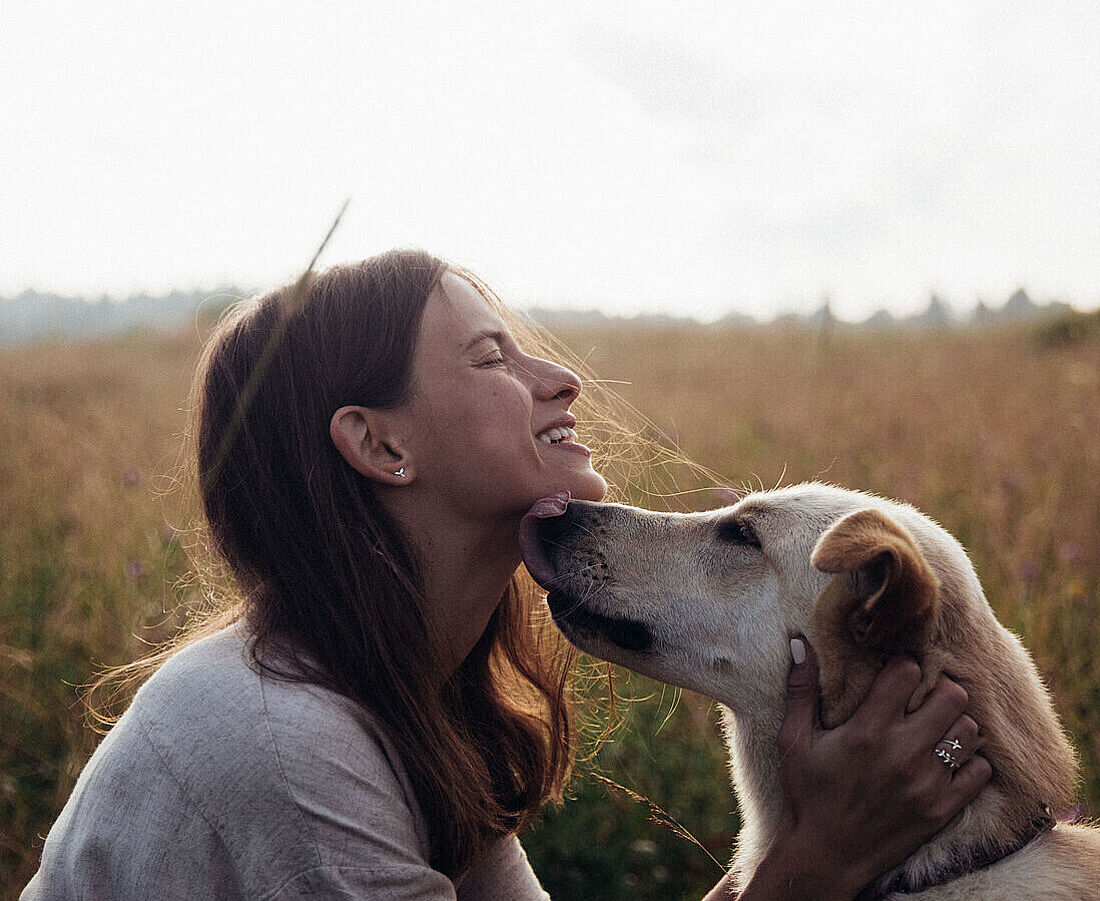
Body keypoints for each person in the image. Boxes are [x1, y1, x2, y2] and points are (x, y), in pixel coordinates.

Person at [22, 248, 990, 899]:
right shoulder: (283, 737)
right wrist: (817, 864)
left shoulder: (419, 696)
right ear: (378, 444)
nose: (559, 378)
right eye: (492, 355)